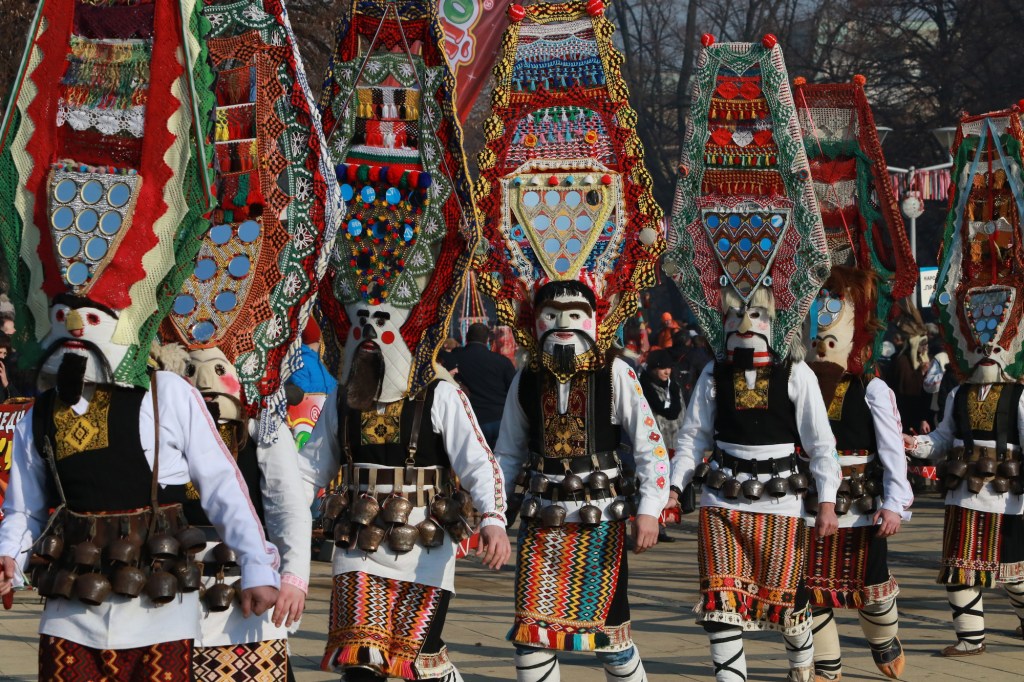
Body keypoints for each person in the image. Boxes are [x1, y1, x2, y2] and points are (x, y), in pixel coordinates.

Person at [307, 2, 509, 679]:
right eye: (362, 329)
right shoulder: (345, 389)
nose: (369, 340)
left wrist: (493, 519)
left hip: (426, 544)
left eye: (379, 330)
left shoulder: (437, 393)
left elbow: (478, 459)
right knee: (360, 662)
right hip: (358, 543)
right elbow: (314, 460)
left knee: (413, 665)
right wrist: (286, 516)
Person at [663, 35, 842, 682]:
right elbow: (694, 433)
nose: (747, 325)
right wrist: (677, 486)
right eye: (739, 316)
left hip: (779, 499)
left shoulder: (795, 376)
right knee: (721, 605)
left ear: (775, 320)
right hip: (722, 495)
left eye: (758, 315)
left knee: (785, 604)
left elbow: (817, 441)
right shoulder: (714, 371)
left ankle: (801, 665)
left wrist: (826, 499)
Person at [0, 300, 281, 680]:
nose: (78, 326)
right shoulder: (40, 413)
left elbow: (221, 484)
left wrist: (256, 565)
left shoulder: (166, 393)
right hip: (69, 610)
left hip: (159, 608)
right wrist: (9, 557)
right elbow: (26, 509)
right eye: (64, 316)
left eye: (93, 317)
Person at [496, 281, 668, 682]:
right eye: (551, 315)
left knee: (610, 641)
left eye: (574, 314)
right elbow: (507, 453)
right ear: (535, 322)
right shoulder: (525, 378)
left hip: (601, 523)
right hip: (542, 524)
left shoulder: (615, 371)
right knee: (532, 635)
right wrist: (495, 514)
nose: (562, 324)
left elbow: (650, 445)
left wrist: (650, 509)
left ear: (594, 319)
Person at [904, 106, 1024, 659]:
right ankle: (969, 638)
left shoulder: (1019, 396)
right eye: (977, 343)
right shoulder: (956, 392)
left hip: (1008, 493)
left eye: (992, 343)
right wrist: (919, 445)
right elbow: (946, 437)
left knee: (1016, 572)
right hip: (962, 488)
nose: (985, 352)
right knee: (960, 569)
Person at [804, 269, 913, 681]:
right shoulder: (802, 383)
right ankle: (827, 666)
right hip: (812, 504)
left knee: (870, 589)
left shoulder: (872, 388)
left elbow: (891, 451)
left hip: (861, 505)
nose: (821, 351)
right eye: (816, 343)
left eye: (828, 343)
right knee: (810, 590)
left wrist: (894, 504)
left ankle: (884, 641)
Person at [451, 323, 516, 448]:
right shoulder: (502, 361)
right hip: (500, 419)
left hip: (473, 421)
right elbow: (513, 392)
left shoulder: (456, 357)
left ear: (467, 337)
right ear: (487, 340)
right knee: (502, 462)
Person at [290, 319, 340, 396]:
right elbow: (303, 393)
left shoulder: (314, 360)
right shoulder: (299, 361)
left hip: (323, 402)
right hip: (319, 404)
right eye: (318, 341)